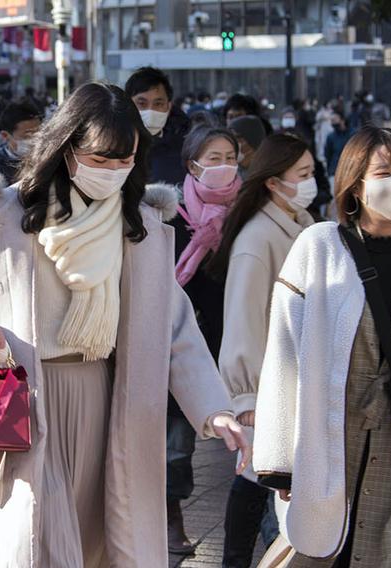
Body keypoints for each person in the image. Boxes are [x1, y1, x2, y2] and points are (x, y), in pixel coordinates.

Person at [0, 82, 249, 567]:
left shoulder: (140, 229)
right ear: (67, 150)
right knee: (36, 544)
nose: (113, 172)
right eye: (100, 159)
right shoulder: (2, 217)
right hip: (23, 402)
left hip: (107, 402)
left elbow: (175, 330)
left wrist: (214, 409)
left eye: (124, 160)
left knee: (100, 543)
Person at [254, 126, 391, 567]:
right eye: (386, 171)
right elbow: (284, 355)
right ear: (355, 184)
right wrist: (280, 460)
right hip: (334, 433)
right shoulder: (319, 247)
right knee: (327, 543)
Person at [208, 134, 318, 568]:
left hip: (294, 380)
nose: (312, 182)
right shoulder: (258, 238)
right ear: (274, 183)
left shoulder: (302, 224)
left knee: (262, 479)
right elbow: (242, 321)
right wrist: (246, 397)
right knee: (259, 479)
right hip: (267, 389)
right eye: (304, 175)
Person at [166, 125, 242, 554]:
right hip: (182, 343)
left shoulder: (246, 213)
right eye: (213, 158)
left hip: (233, 340)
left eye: (229, 155)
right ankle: (172, 518)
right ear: (192, 164)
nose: (223, 165)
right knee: (176, 443)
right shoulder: (170, 215)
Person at [125, 66, 191, 185]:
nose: (150, 111)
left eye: (158, 104)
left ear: (169, 106)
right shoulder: (113, 147)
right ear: (128, 104)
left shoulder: (186, 148)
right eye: (141, 104)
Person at [0, 100, 42, 184]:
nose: (36, 139)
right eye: (28, 135)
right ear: (5, 136)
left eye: (39, 133)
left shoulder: (48, 161)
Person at [324, 110, 353, 180]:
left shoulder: (353, 134)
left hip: (350, 171)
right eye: (331, 121)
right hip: (335, 171)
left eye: (334, 120)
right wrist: (329, 171)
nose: (333, 122)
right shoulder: (330, 137)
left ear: (342, 120)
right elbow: (328, 155)